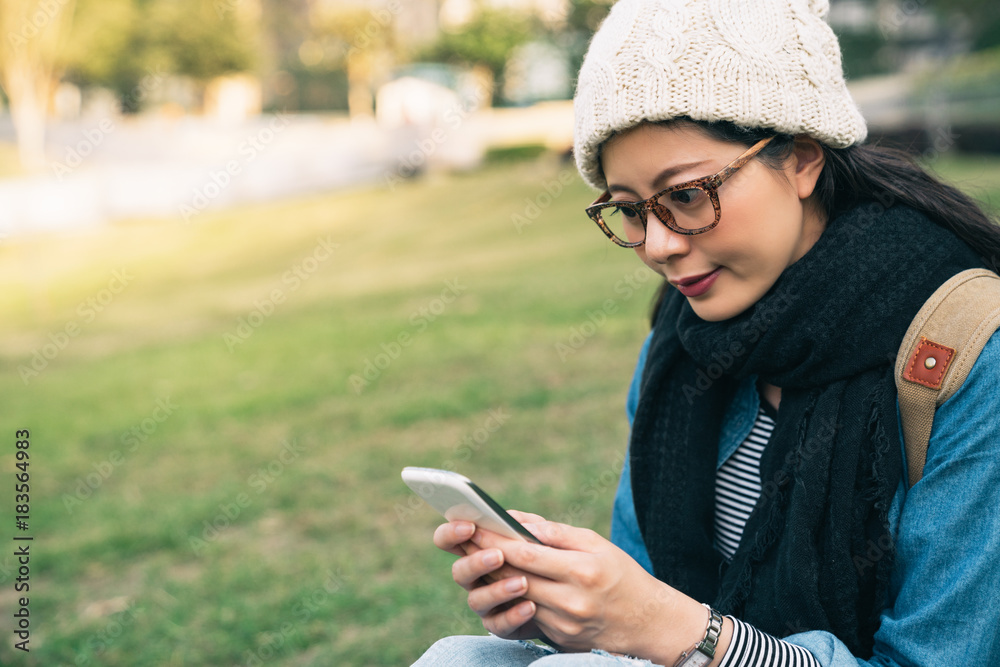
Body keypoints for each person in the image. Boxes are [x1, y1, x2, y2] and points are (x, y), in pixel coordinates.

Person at [412, 0, 1000, 664]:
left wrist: (682, 629)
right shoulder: (682, 337)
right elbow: (644, 594)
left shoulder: (968, 353)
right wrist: (571, 609)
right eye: (629, 209)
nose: (657, 245)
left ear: (803, 159)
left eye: (687, 195)